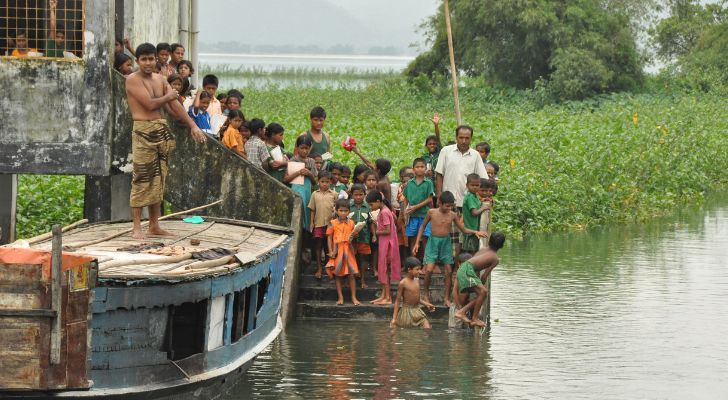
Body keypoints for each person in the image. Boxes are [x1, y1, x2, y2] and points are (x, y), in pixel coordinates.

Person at [124, 42, 205, 240]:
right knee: (142, 178)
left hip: (160, 130)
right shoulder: (132, 80)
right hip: (143, 131)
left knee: (159, 178)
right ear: (138, 61)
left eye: (151, 59)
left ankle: (154, 225)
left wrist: (193, 125)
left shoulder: (160, 79)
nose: (148, 63)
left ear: (156, 59)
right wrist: (169, 95)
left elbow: (175, 105)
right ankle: (137, 227)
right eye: (144, 59)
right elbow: (150, 104)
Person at [412, 191, 487, 306]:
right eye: (447, 205)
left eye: (451, 206)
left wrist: (475, 231)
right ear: (440, 203)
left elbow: (463, 229)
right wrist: (417, 242)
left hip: (446, 242)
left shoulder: (452, 215)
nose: (449, 208)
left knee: (448, 271)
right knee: (429, 270)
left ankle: (446, 298)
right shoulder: (431, 212)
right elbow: (422, 226)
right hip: (433, 242)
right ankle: (426, 294)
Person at [434, 124, 488, 258]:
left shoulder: (475, 155)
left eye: (467, 138)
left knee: (467, 237)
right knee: (449, 236)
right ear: (456, 137)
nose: (464, 141)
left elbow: (482, 179)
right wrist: (439, 197)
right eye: (461, 137)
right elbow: (439, 175)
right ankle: (450, 264)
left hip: (468, 204)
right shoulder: (446, 151)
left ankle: (462, 266)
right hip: (448, 203)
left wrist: (484, 199)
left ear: (471, 139)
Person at [455, 232, 505, 328]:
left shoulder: (483, 250)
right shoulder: (495, 258)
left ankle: (462, 312)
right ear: (501, 246)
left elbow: (474, 262)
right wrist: (481, 284)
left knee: (481, 294)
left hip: (464, 267)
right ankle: (474, 318)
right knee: (484, 291)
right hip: (467, 270)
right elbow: (484, 276)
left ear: (489, 241)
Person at [367, 191, 400, 305]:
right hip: (385, 243)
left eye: (371, 205)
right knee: (383, 270)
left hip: (387, 244)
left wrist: (376, 231)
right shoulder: (384, 210)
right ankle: (384, 295)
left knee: (384, 270)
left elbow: (387, 230)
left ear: (378, 201)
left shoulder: (385, 212)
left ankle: (388, 298)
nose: (371, 207)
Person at [326, 199, 361, 305]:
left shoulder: (351, 223)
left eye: (345, 211)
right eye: (341, 210)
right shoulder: (332, 223)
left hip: (349, 250)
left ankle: (354, 297)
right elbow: (329, 238)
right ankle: (340, 298)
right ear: (336, 211)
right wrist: (331, 251)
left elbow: (354, 236)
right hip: (337, 251)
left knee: (351, 275)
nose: (343, 213)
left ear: (349, 211)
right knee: (338, 275)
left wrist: (355, 234)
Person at [402, 158, 434, 258]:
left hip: (425, 215)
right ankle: (413, 264)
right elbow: (405, 199)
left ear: (425, 169)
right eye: (417, 167)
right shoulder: (409, 183)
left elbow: (430, 199)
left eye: (422, 167)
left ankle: (424, 264)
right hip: (412, 216)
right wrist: (404, 212)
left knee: (425, 239)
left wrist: (416, 207)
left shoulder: (428, 183)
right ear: (413, 169)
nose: (420, 169)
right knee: (412, 239)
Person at [285, 135, 318, 233]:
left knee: (307, 215)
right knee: (298, 213)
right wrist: (298, 173)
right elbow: (286, 179)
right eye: (302, 148)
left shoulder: (311, 161)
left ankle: (306, 239)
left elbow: (315, 182)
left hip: (308, 193)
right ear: (297, 148)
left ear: (310, 148)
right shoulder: (292, 161)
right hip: (297, 192)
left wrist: (309, 174)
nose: (304, 151)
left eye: (307, 148)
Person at [391, 257, 436, 329]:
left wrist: (427, 304)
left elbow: (417, 298)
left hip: (417, 310)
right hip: (406, 312)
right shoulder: (403, 283)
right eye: (417, 269)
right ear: (409, 270)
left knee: (427, 328)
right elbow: (397, 301)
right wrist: (394, 318)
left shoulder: (417, 280)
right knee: (408, 335)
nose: (420, 271)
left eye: (420, 269)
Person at [309, 171, 338, 279]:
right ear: (318, 182)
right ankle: (319, 268)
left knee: (329, 246)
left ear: (330, 182)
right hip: (318, 223)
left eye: (327, 182)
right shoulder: (315, 194)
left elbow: (339, 209)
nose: (324, 184)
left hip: (331, 224)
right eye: (322, 182)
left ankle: (329, 267)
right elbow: (312, 209)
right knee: (318, 245)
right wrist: (311, 223)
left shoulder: (334, 194)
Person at [349, 184, 374, 289]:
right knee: (351, 257)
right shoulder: (348, 206)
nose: (358, 197)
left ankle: (363, 279)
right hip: (351, 238)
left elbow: (371, 222)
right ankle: (352, 279)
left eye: (361, 194)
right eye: (356, 195)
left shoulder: (368, 207)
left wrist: (374, 235)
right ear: (351, 195)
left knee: (364, 258)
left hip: (364, 237)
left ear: (365, 194)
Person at [461, 174, 491, 254]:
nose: (475, 187)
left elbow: (477, 204)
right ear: (467, 185)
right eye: (472, 185)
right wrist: (483, 208)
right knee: (471, 253)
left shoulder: (474, 196)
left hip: (474, 229)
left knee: (474, 251)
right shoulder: (470, 196)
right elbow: (474, 212)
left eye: (477, 185)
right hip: (471, 230)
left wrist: (484, 200)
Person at [423, 113, 443, 178]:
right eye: (430, 144)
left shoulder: (440, 153)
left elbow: (438, 137)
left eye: (434, 144)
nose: (432, 145)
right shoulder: (424, 158)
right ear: (426, 146)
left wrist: (436, 125)